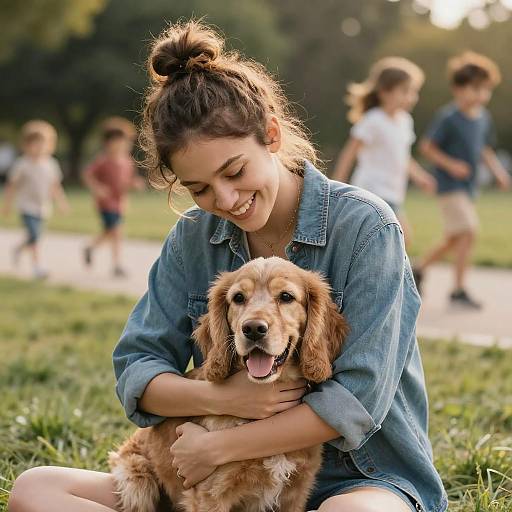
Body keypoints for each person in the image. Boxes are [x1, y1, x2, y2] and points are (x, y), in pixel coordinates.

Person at [8, 21, 447, 512]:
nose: (226, 199)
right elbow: (138, 369)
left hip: (355, 477)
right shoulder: (194, 237)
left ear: (273, 135)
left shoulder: (367, 228)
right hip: (216, 481)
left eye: (235, 171)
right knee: (35, 490)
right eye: (199, 188)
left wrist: (219, 445)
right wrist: (227, 401)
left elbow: (357, 402)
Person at [413, 52, 510, 307]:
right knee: (468, 231)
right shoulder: (449, 117)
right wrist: (451, 164)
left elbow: (484, 150)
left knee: (455, 238)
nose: (481, 95)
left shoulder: (483, 118)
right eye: (475, 89)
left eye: (485, 90)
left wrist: (499, 172)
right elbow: (427, 147)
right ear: (458, 88)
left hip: (469, 188)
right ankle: (458, 289)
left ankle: (419, 267)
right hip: (449, 186)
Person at [332, 57, 436, 246]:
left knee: (398, 240)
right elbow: (349, 153)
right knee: (398, 239)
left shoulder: (405, 121)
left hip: (394, 193)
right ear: (384, 92)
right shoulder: (373, 120)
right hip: (372, 190)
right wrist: (338, 186)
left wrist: (420, 176)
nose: (412, 97)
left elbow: (403, 157)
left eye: (414, 92)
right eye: (405, 91)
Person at [2, 120, 69, 279]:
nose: (39, 148)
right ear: (26, 145)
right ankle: (37, 267)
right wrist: (7, 205)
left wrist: (61, 203)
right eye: (35, 144)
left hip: (43, 207)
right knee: (34, 236)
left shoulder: (51, 164)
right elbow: (12, 186)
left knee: (35, 236)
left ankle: (18, 249)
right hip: (26, 206)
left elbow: (55, 186)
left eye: (43, 144)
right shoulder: (22, 164)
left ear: (50, 145)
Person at [82, 117, 144, 277]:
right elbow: (87, 174)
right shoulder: (103, 161)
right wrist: (97, 188)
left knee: (109, 232)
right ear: (107, 143)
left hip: (119, 203)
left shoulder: (127, 162)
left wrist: (134, 184)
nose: (123, 145)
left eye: (126, 142)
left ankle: (91, 247)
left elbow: (125, 183)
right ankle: (117, 265)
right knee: (116, 232)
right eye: (118, 142)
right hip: (105, 203)